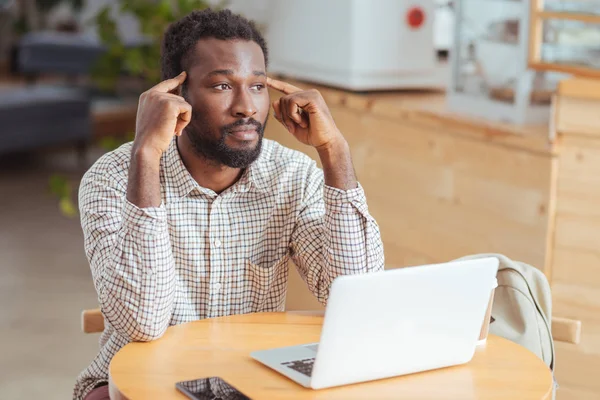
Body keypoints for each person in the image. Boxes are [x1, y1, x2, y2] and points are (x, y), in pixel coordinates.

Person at [75, 8, 384, 400]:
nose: (246, 107)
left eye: (257, 86)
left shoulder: (292, 176)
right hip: (142, 383)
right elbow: (142, 322)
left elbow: (355, 294)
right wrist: (146, 156)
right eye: (222, 86)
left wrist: (334, 150)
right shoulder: (114, 179)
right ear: (174, 96)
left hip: (251, 381)